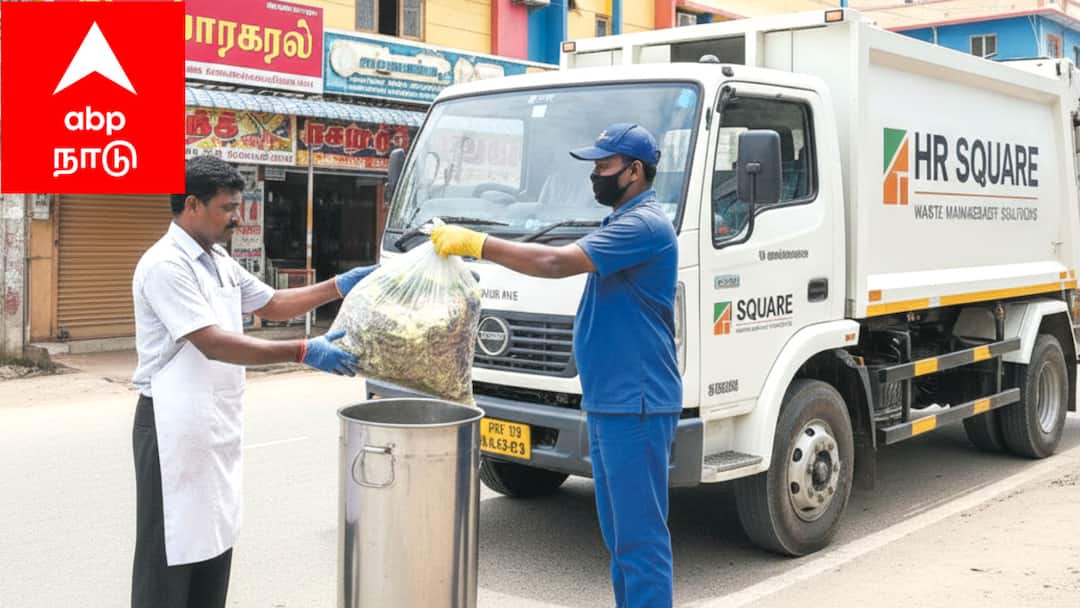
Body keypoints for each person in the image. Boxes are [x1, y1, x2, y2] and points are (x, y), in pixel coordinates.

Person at [431, 123, 682, 608]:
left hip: (639, 402)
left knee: (641, 541)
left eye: (604, 167)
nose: (595, 175)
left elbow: (553, 264)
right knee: (621, 541)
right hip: (614, 401)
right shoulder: (619, 221)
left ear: (634, 171)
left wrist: (477, 243)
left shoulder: (644, 224)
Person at [130, 155, 375, 608]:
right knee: (168, 553)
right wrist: (302, 351)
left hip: (212, 423)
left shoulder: (218, 260)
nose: (236, 218)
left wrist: (340, 285)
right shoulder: (166, 265)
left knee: (213, 540)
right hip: (170, 425)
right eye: (227, 208)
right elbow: (214, 342)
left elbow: (273, 303)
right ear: (192, 205)